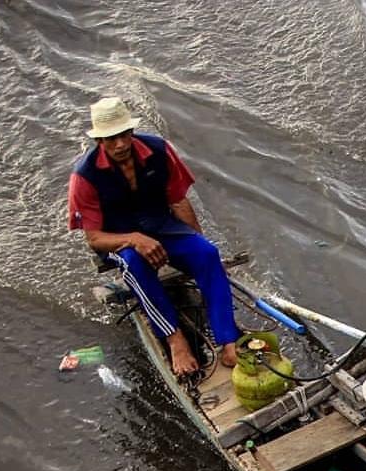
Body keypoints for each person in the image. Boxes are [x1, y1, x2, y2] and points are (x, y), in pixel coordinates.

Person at [68, 97, 240, 376]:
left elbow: (179, 201)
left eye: (124, 135)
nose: (120, 145)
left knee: (207, 254)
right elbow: (94, 238)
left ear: (131, 132)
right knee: (133, 263)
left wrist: (200, 250)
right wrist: (134, 238)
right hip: (118, 238)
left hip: (161, 224)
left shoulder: (158, 151)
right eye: (111, 139)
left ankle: (228, 342)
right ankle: (175, 339)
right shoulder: (84, 176)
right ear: (100, 140)